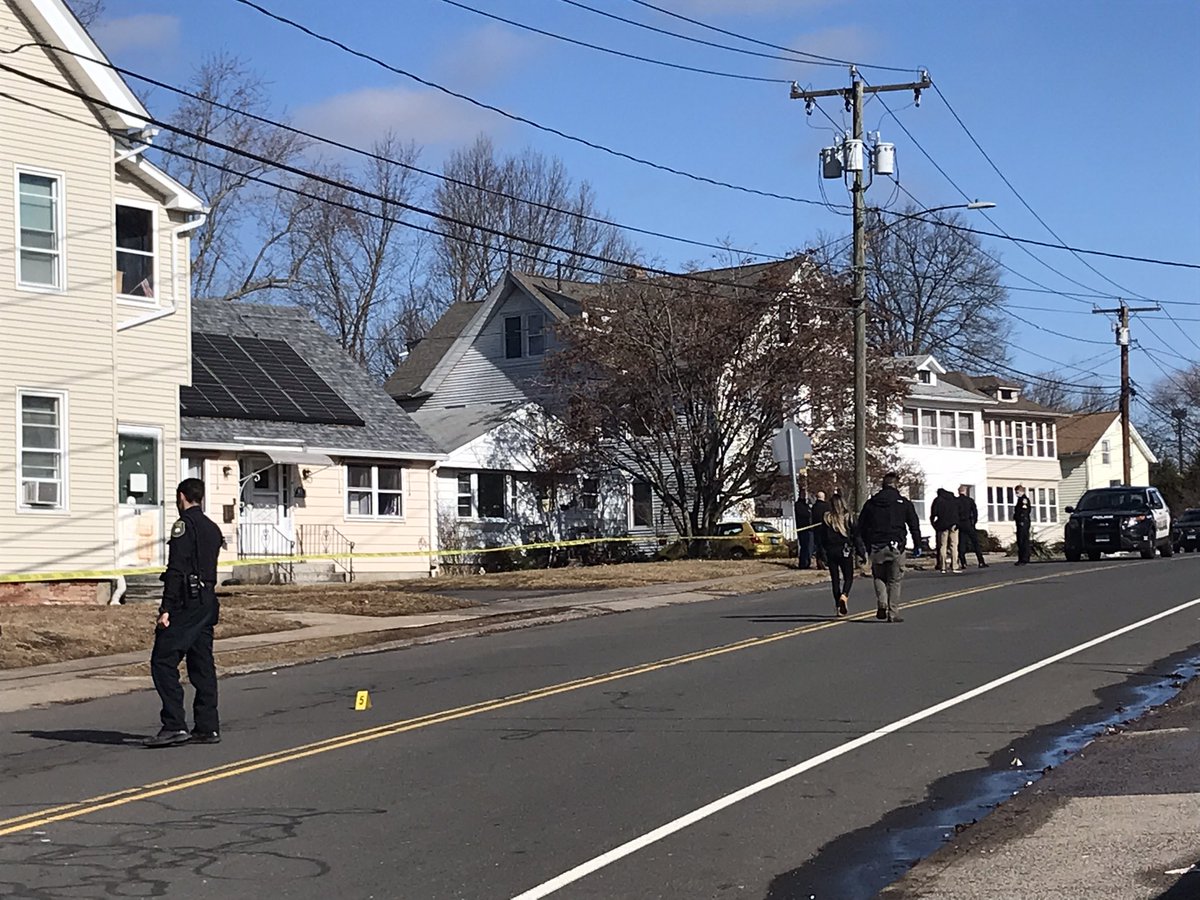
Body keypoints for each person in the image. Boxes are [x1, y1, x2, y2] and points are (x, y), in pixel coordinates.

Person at [145, 478, 225, 748]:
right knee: (202, 663)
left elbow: (177, 569)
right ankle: (207, 726)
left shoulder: (183, 526)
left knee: (163, 660)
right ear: (200, 497)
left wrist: (166, 608)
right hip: (207, 601)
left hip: (186, 602)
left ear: (182, 497)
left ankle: (174, 724)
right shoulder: (212, 528)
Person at [859, 473, 923, 623]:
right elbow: (914, 525)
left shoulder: (871, 503)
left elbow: (861, 526)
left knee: (879, 576)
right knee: (895, 580)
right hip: (896, 545)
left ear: (883, 484)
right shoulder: (904, 503)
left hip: (876, 545)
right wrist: (917, 544)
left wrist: (865, 546)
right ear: (896, 485)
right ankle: (893, 612)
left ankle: (882, 602)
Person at [818, 493, 866, 617]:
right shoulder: (849, 517)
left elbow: (821, 538)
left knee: (835, 579)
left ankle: (838, 606)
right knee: (848, 577)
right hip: (845, 551)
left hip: (831, 551)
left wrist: (821, 554)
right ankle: (844, 595)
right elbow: (856, 537)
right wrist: (861, 553)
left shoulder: (827, 518)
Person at [956, 485, 988, 569]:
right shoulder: (969, 501)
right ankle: (981, 561)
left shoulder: (956, 501)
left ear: (958, 492)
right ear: (965, 491)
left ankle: (963, 563)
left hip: (960, 524)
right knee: (975, 542)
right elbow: (975, 512)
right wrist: (974, 522)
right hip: (969, 523)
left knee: (961, 543)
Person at [930, 487, 961, 574]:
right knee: (954, 546)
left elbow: (933, 514)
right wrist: (957, 523)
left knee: (942, 546)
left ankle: (943, 566)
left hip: (942, 525)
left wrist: (934, 524)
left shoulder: (938, 500)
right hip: (954, 525)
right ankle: (955, 565)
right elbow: (959, 512)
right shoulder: (953, 500)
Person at [810, 490, 831, 571]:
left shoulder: (814, 507)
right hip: (825, 529)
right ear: (824, 497)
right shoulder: (827, 506)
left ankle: (819, 563)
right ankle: (825, 562)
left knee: (818, 546)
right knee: (825, 546)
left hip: (816, 530)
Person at [1013, 484, 1033, 566]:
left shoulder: (1024, 499)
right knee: (1020, 540)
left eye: (1017, 492)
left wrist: (1021, 520)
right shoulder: (1020, 499)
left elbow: (1024, 511)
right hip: (1020, 522)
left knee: (1023, 540)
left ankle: (1024, 559)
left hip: (1023, 522)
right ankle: (1021, 558)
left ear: (1022, 491)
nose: (1016, 493)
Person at [795, 494, 814, 570]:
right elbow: (806, 514)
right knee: (805, 547)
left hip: (809, 529)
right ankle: (803, 563)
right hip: (803, 529)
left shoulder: (806, 506)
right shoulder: (798, 505)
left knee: (808, 547)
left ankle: (807, 562)